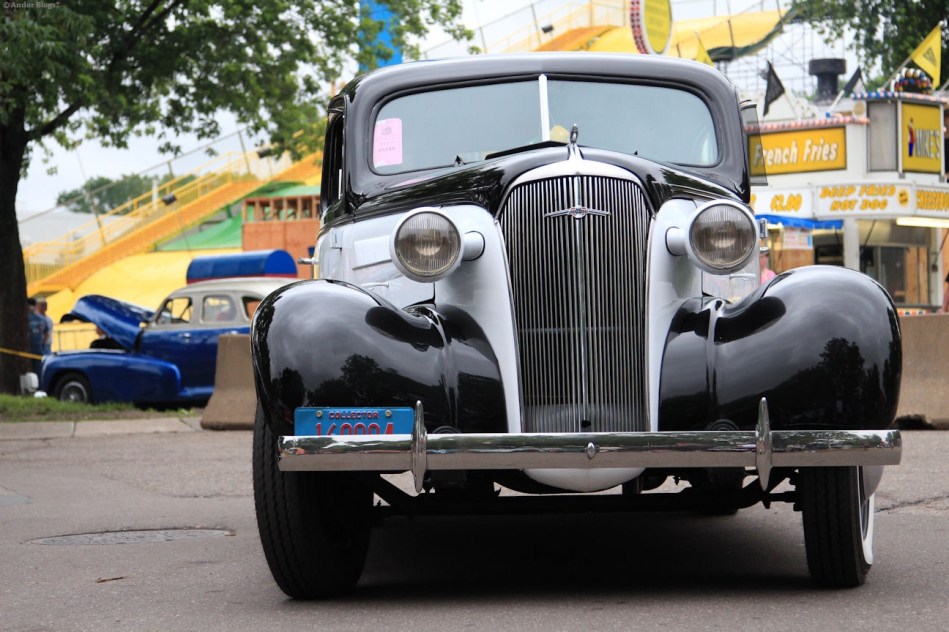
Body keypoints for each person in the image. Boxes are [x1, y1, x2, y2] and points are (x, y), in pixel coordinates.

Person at [26, 298, 46, 374]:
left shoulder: (39, 319)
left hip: (34, 349)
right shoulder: (41, 318)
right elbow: (45, 333)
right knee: (37, 371)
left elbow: (45, 332)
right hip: (36, 349)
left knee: (35, 371)